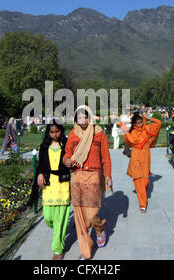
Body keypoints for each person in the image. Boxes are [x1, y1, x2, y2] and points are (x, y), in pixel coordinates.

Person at [63, 105, 112, 260]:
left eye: (85, 117)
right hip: (77, 175)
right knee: (79, 217)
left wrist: (108, 175)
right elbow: (67, 153)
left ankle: (99, 229)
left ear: (90, 117)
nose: (82, 120)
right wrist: (67, 161)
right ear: (75, 119)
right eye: (79, 117)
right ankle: (86, 253)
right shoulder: (73, 134)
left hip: (94, 175)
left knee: (91, 215)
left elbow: (106, 156)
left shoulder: (98, 133)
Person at [33, 120, 71, 260]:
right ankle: (59, 234)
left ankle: (57, 249)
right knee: (48, 217)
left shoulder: (66, 145)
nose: (55, 134)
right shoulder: (44, 146)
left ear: (61, 131)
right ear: (48, 133)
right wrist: (40, 174)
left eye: (57, 131)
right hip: (49, 184)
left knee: (60, 218)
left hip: (63, 184)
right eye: (52, 132)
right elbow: (41, 165)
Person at [118, 112, 161, 213]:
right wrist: (129, 120)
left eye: (141, 122)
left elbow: (158, 123)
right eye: (137, 123)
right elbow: (123, 128)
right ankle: (143, 204)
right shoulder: (131, 132)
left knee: (146, 181)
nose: (140, 124)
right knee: (138, 180)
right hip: (135, 158)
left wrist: (148, 117)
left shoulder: (147, 129)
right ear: (133, 124)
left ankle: (142, 194)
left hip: (146, 157)